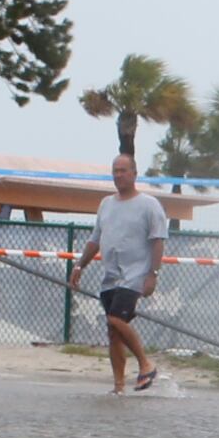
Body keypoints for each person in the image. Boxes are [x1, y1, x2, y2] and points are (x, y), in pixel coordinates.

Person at [73, 153, 169, 394]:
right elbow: (95, 240)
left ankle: (146, 364)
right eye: (115, 170)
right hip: (111, 276)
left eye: (123, 170)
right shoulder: (106, 204)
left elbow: (158, 240)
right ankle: (118, 387)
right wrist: (79, 266)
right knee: (113, 332)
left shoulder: (149, 204)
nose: (118, 175)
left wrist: (153, 274)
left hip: (135, 275)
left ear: (134, 174)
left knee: (115, 318)